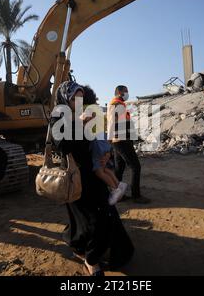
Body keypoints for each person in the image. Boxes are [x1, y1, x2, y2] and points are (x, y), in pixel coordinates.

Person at [53, 81, 134, 276]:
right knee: (88, 220)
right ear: (66, 99)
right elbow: (62, 147)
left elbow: (95, 141)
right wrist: (78, 124)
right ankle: (91, 260)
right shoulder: (59, 116)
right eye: (74, 98)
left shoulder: (88, 113)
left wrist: (105, 155)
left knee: (104, 217)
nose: (78, 101)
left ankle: (91, 253)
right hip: (75, 178)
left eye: (81, 97)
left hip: (93, 176)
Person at [81, 85, 127, 206]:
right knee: (105, 167)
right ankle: (119, 184)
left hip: (97, 142)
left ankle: (114, 189)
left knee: (98, 171)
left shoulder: (86, 109)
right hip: (104, 140)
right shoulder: (98, 108)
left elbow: (82, 122)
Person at [108, 85, 150, 204]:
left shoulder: (116, 104)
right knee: (135, 167)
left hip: (117, 140)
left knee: (119, 168)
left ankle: (117, 194)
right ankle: (136, 195)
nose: (127, 94)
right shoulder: (117, 104)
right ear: (120, 92)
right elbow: (116, 123)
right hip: (121, 140)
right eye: (126, 92)